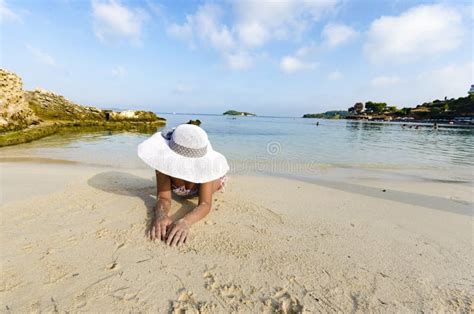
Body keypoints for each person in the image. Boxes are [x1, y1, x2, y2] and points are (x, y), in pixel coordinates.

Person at [137, 124, 229, 246]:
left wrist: (185, 222)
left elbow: (205, 204)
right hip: (185, 187)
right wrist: (160, 215)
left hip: (214, 182)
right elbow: (164, 198)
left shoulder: (206, 170)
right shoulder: (163, 165)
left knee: (217, 182)